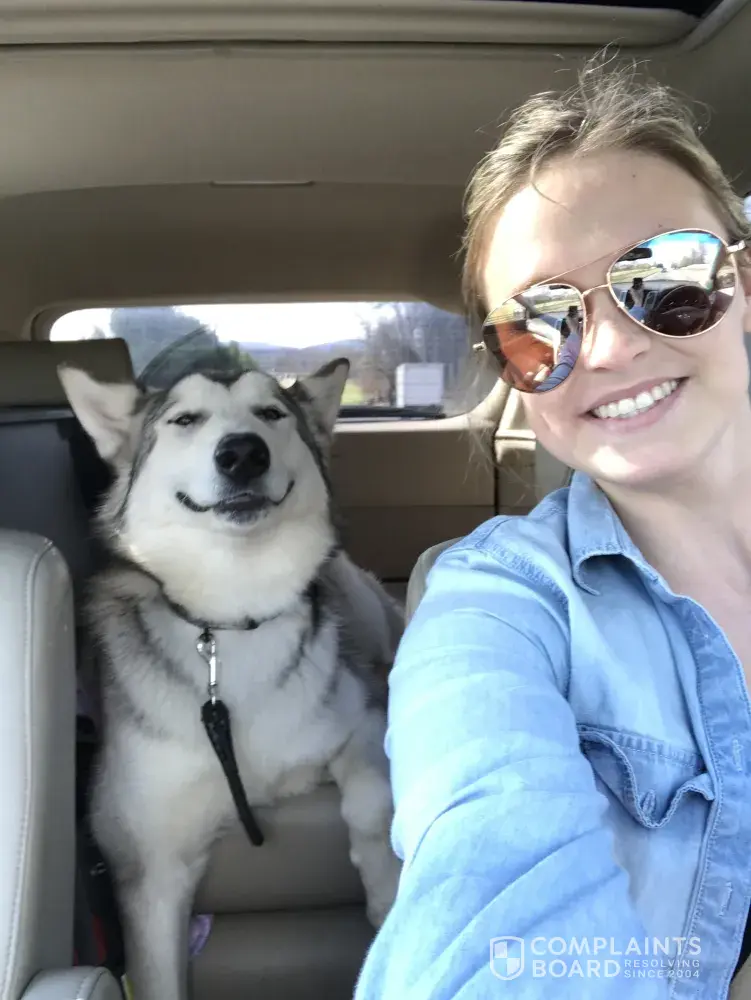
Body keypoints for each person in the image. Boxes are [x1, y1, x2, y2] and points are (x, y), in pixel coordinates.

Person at [354, 55, 751, 999]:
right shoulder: (493, 607)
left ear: (741, 284)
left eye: (666, 278)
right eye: (541, 326)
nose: (607, 347)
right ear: (512, 370)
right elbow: (490, 919)